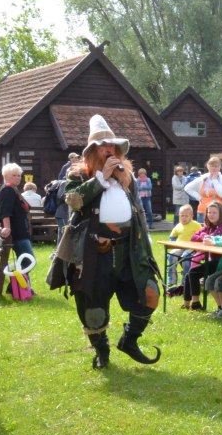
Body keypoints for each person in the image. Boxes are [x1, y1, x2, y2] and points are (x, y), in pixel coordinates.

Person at [58, 114, 161, 369]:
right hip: (93, 254)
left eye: (112, 147)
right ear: (92, 151)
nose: (109, 151)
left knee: (150, 293)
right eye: (103, 146)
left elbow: (139, 212)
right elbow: (72, 200)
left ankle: (129, 340)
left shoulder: (128, 178)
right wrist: (101, 178)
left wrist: (145, 242)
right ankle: (101, 351)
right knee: (93, 309)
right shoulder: (79, 176)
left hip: (129, 252)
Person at [181, 201, 222, 311]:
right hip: (212, 260)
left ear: (221, 214)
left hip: (221, 262)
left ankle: (196, 304)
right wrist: (204, 235)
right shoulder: (209, 226)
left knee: (193, 273)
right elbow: (194, 237)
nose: (210, 215)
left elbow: (211, 239)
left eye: (214, 213)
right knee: (189, 274)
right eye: (208, 212)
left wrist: (204, 236)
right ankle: (187, 304)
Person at [0, 163, 34, 283]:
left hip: (21, 230)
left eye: (19, 175)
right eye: (14, 175)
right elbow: (5, 212)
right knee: (28, 260)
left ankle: (21, 289)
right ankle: (17, 288)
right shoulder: (8, 190)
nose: (18, 178)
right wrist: (7, 227)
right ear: (6, 176)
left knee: (24, 261)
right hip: (18, 232)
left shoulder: (12, 189)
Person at [165, 204, 202, 292]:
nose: (183, 218)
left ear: (191, 216)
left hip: (191, 247)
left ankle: (185, 281)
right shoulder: (178, 226)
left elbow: (201, 234)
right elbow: (172, 236)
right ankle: (172, 280)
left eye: (186, 216)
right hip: (180, 246)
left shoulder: (195, 225)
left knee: (186, 257)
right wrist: (173, 242)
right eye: (182, 216)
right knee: (171, 255)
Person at [184, 156, 222, 223]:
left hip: (219, 213)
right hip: (203, 212)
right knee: (203, 233)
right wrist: (199, 197)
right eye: (212, 166)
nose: (214, 168)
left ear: (220, 167)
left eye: (216, 166)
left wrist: (214, 180)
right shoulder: (202, 178)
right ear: (208, 167)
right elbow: (187, 188)